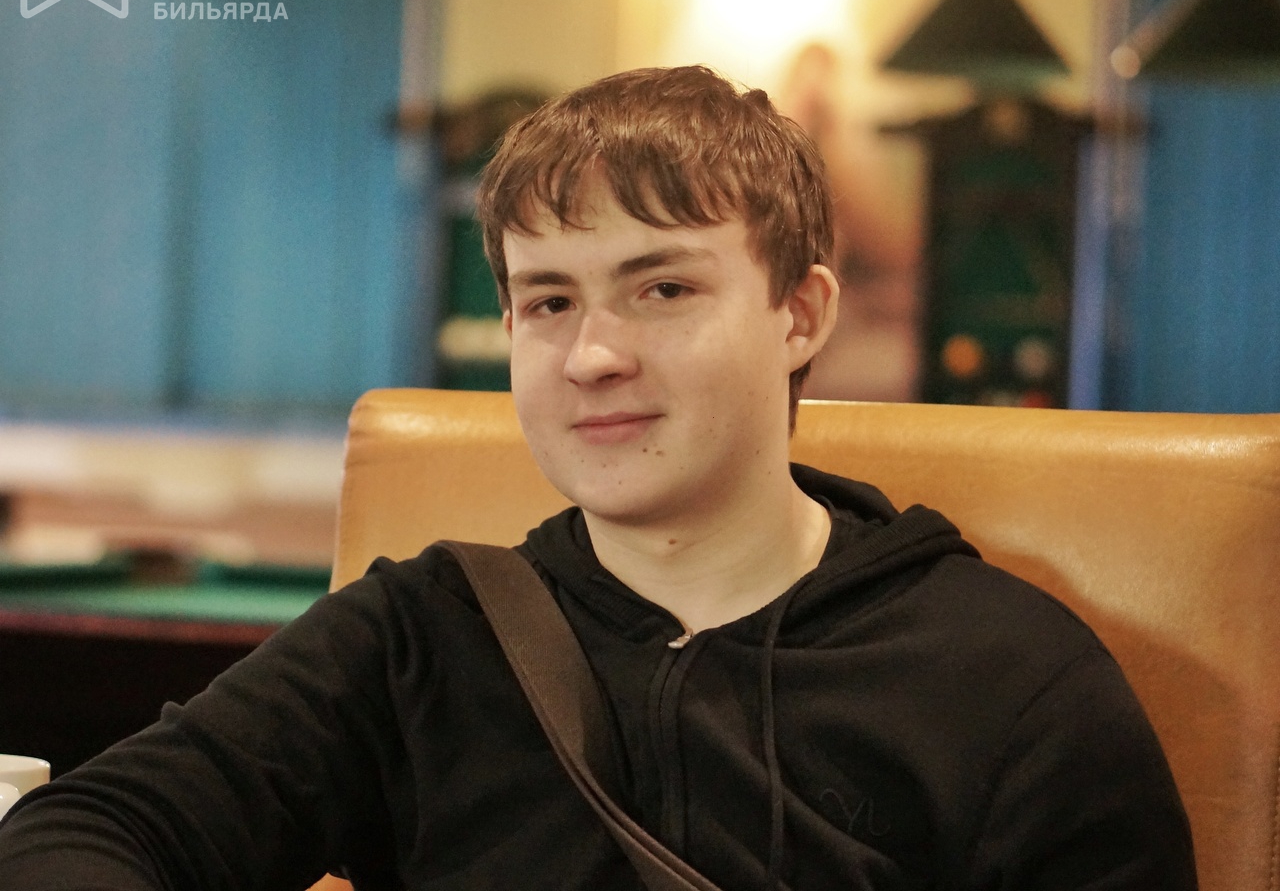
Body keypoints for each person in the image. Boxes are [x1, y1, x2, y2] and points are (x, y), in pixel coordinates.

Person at [0, 66, 1195, 890]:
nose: (592, 356)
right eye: (548, 302)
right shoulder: (416, 636)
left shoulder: (1010, 681)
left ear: (797, 314)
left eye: (661, 288)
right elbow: (89, 830)